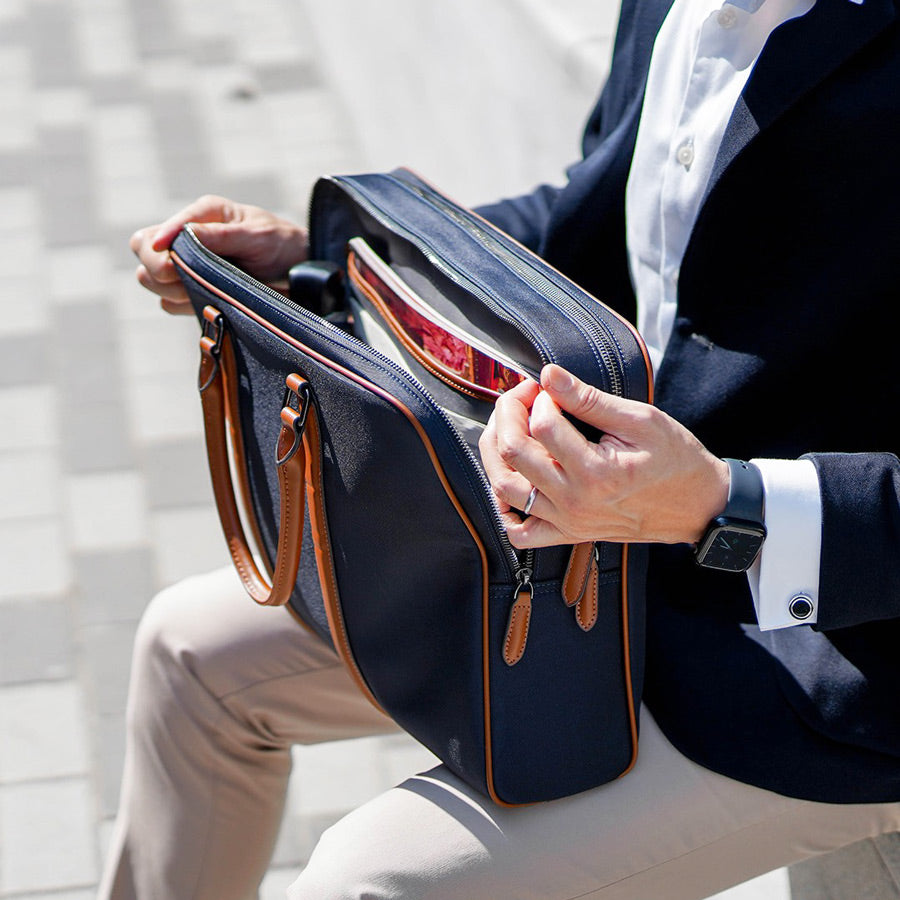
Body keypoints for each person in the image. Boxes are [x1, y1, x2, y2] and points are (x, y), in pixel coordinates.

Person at [104, 0, 900, 897]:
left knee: (369, 881)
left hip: (825, 660)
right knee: (186, 655)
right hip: (598, 543)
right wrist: (330, 258)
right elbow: (594, 216)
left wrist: (723, 506)